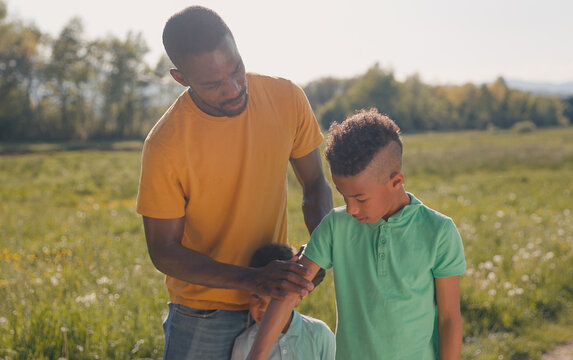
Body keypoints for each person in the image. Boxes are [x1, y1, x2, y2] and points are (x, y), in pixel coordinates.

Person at [135, 6, 333, 360]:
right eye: (213, 84)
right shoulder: (165, 144)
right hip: (203, 313)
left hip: (273, 302)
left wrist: (318, 251)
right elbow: (163, 250)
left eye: (236, 69)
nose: (233, 88)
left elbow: (316, 184)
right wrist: (251, 279)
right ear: (181, 78)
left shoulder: (286, 98)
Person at [247, 108, 467, 360]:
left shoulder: (438, 231)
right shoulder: (336, 226)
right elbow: (289, 291)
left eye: (360, 198)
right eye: (343, 195)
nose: (350, 208)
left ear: (396, 182)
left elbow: (449, 318)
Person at [230, 244, 335, 360]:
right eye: (256, 297)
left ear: (298, 298)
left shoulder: (319, 334)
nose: (263, 308)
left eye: (274, 301)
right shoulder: (244, 344)